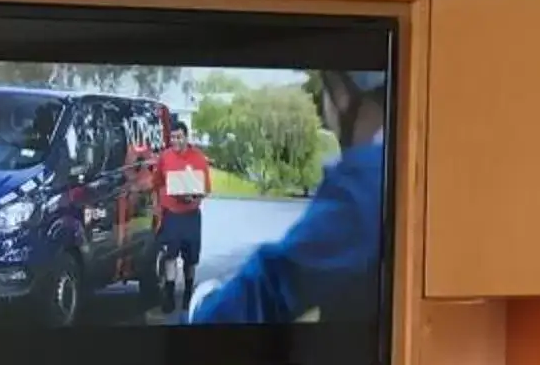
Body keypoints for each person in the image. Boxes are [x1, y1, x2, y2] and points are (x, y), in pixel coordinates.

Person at [189, 67, 387, 327]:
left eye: (325, 93)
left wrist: (206, 309)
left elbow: (277, 283)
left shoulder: (365, 181)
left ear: (341, 94)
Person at [153, 109, 211, 315]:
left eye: (179, 137)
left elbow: (206, 189)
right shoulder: (165, 157)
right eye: (172, 137)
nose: (175, 141)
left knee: (191, 259)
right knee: (170, 255)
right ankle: (169, 295)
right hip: (171, 214)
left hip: (191, 216)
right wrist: (158, 203)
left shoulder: (198, 159)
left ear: (186, 137)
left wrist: (193, 197)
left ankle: (188, 293)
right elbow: (157, 181)